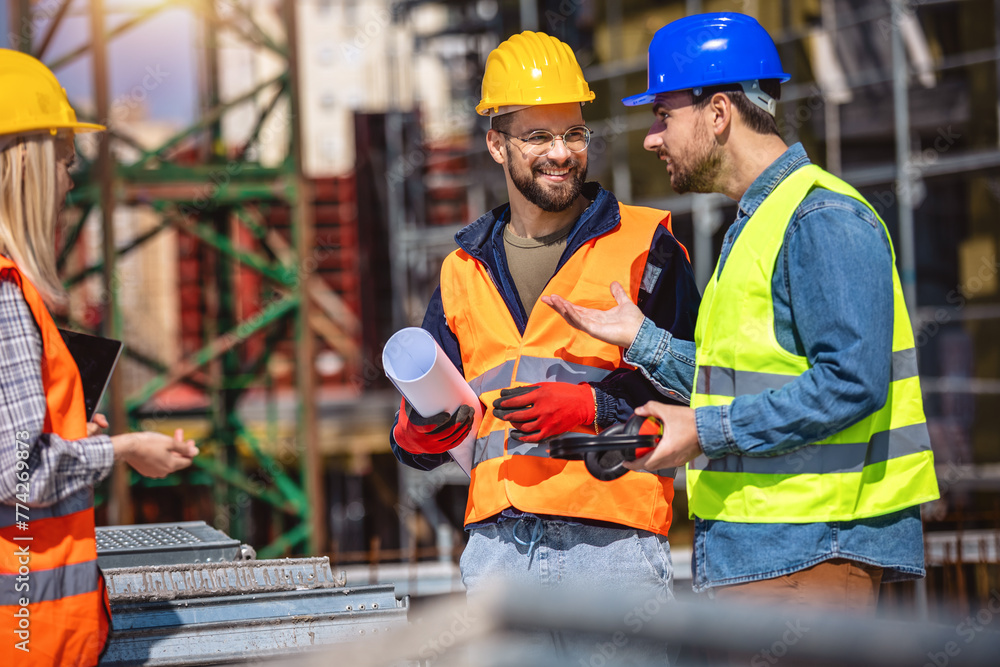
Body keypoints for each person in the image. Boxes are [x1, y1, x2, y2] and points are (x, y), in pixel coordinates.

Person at [544, 12, 939, 612]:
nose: (652, 138)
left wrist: (700, 431)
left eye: (663, 115)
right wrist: (643, 340)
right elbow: (742, 376)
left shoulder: (820, 217)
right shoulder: (760, 222)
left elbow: (852, 383)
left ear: (719, 112)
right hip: (772, 552)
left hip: (813, 548)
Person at [390, 30, 700, 611]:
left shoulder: (645, 247)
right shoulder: (462, 268)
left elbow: (699, 385)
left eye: (573, 134)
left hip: (611, 542)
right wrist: (412, 438)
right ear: (496, 145)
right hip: (497, 548)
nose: (561, 152)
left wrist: (595, 407)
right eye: (537, 136)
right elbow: (434, 421)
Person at [0, 49, 198, 667]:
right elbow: (18, 473)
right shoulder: (7, 297)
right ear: (25, 167)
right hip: (29, 633)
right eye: (63, 162)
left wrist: (70, 437)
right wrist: (122, 449)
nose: (71, 178)